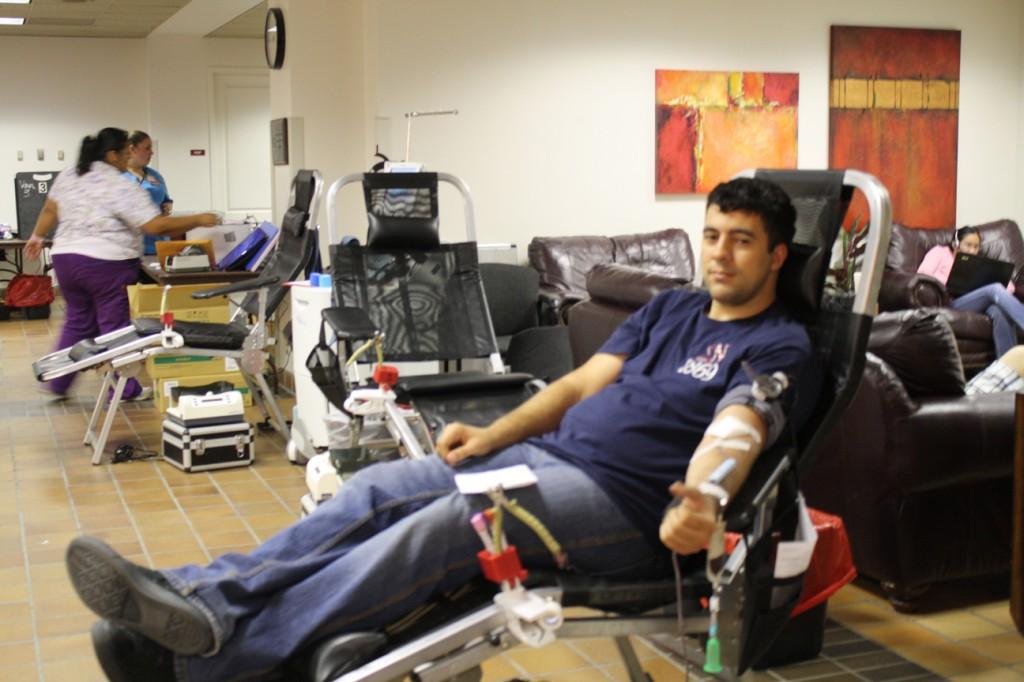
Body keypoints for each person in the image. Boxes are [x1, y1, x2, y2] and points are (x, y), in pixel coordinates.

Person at [65, 177, 820, 681]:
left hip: (629, 507)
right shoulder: (672, 309)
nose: (720, 253)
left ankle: (210, 665)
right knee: (383, 488)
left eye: (742, 241)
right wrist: (492, 436)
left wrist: (705, 495)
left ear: (776, 256)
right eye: (714, 234)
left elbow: (739, 427)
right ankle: (201, 601)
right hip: (550, 459)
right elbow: (575, 386)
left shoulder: (780, 341)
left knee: (457, 527)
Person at [24, 127, 221, 401]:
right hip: (105, 264)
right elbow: (154, 225)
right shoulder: (119, 185)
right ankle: (126, 390)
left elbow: (49, 210)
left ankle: (57, 381)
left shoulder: (70, 175)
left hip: (66, 260)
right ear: (112, 154)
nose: (130, 156)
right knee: (115, 328)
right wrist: (198, 219)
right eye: (127, 151)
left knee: (78, 321)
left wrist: (37, 236)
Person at [917, 226, 1024, 356]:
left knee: (998, 311)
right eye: (968, 245)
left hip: (979, 301)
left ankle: (1009, 368)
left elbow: (1010, 287)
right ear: (955, 243)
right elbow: (923, 274)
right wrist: (952, 279)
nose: (972, 251)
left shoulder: (978, 263)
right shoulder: (940, 252)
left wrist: (981, 284)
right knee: (994, 288)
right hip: (952, 302)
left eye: (976, 247)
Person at [123, 130, 174, 256]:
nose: (151, 152)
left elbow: (165, 199)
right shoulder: (119, 176)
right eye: (147, 148)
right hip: (131, 248)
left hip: (159, 245)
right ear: (132, 149)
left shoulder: (154, 175)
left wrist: (167, 205)